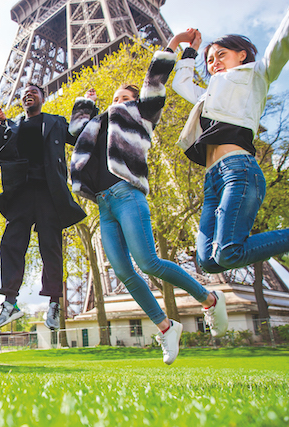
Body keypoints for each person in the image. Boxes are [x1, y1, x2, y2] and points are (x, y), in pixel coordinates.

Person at [69, 33, 229, 365]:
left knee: (148, 263)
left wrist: (172, 44)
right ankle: (166, 326)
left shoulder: (142, 114)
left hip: (127, 195)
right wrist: (85, 102)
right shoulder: (97, 125)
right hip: (104, 204)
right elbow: (75, 133)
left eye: (125, 95)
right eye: (115, 96)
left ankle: (209, 298)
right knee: (126, 273)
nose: (119, 99)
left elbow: (154, 80)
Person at [171, 11, 289, 275]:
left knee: (228, 251)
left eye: (221, 55)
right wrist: (191, 50)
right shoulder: (208, 96)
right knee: (208, 261)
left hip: (238, 170)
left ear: (242, 55)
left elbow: (282, 43)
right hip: (212, 180)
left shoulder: (256, 74)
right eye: (210, 60)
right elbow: (181, 84)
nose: (214, 63)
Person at [0, 83, 86, 331]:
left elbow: (79, 138)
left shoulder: (56, 121)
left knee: (51, 247)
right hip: (21, 192)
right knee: (10, 243)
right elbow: (1, 156)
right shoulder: (12, 126)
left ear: (43, 97)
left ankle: (54, 303)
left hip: (49, 192)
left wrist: (85, 107)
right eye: (23, 94)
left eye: (33, 91)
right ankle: (10, 302)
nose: (27, 94)